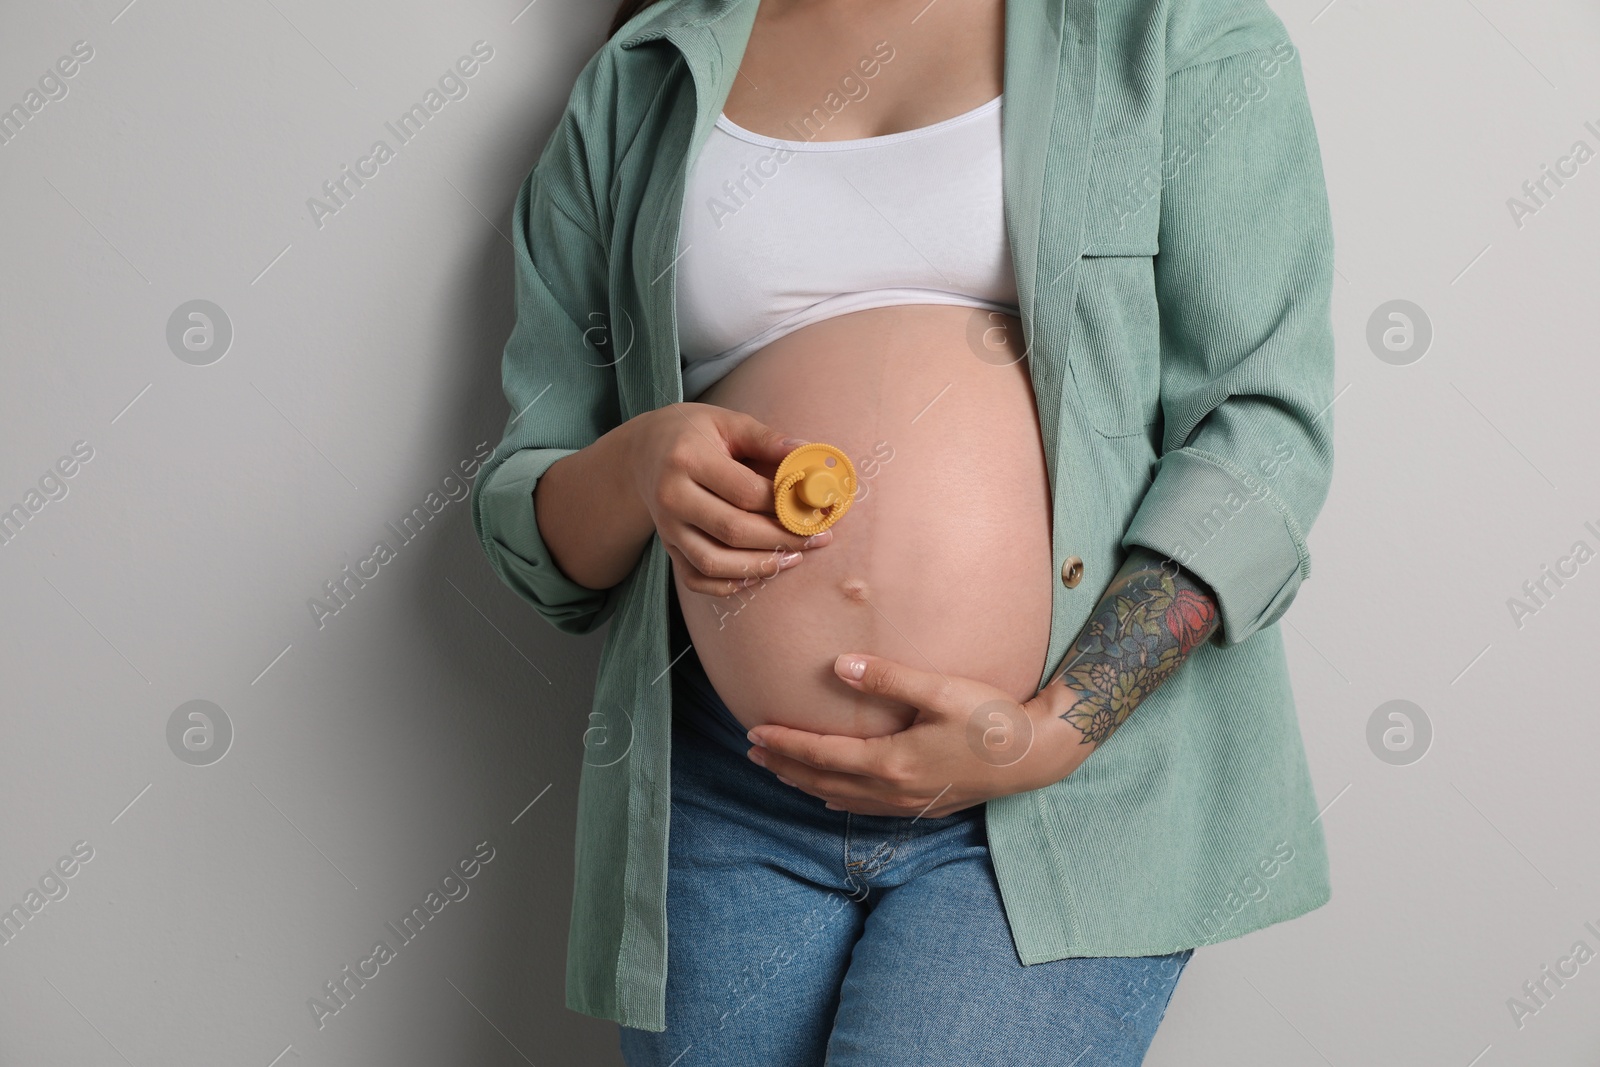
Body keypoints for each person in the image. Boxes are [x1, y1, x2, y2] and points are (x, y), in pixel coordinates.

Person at [469, 0, 1337, 1062]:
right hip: (726, 792)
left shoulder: (1168, 30)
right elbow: (540, 530)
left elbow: (1261, 435)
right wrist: (639, 462)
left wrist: (1048, 730)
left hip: (1065, 790)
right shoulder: (642, 81)